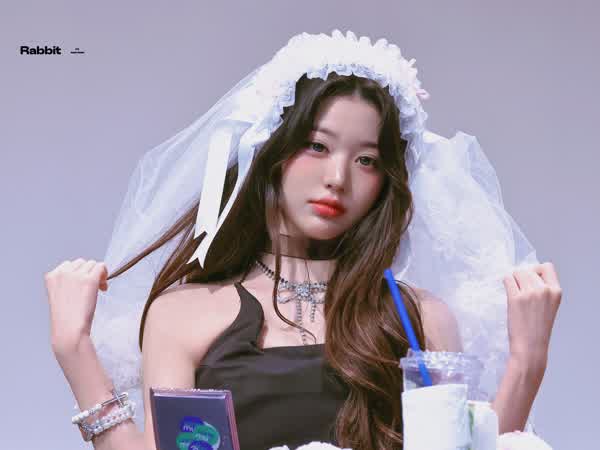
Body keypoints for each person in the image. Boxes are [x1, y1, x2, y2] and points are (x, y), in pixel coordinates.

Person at [44, 30, 562, 450]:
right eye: (317, 146)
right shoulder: (185, 314)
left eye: (367, 160)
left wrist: (527, 362)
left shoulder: (419, 318)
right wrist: (75, 351)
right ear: (270, 150)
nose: (338, 178)